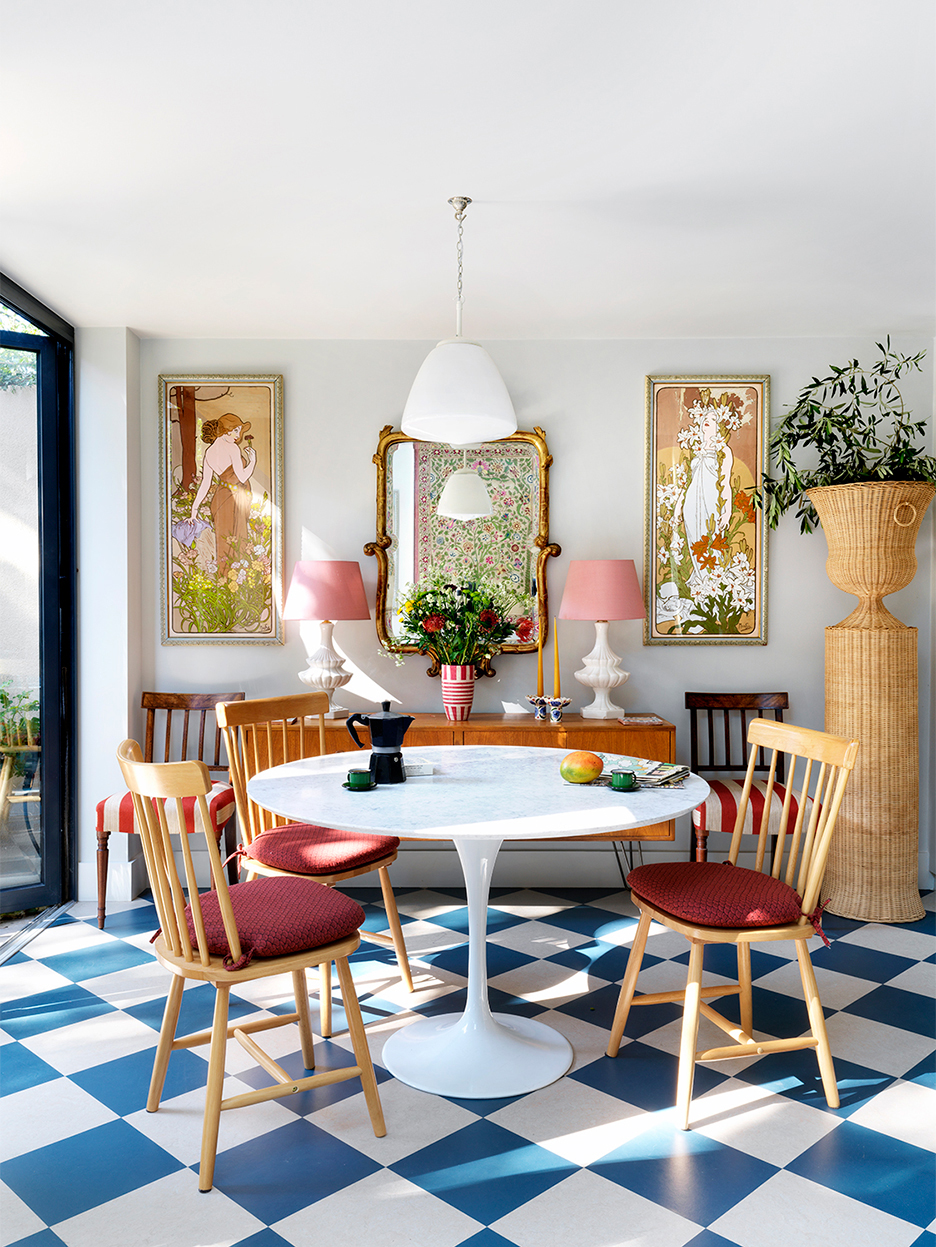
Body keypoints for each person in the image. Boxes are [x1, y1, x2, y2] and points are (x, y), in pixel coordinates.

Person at [190, 413, 257, 578]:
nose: (237, 436)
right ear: (225, 431)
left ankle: (224, 582)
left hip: (220, 498)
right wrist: (253, 461)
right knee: (238, 539)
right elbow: (242, 477)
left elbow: (206, 484)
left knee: (224, 541)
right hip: (233, 499)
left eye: (239, 431)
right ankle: (236, 583)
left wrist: (194, 508)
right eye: (235, 431)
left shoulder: (209, 453)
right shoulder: (232, 448)